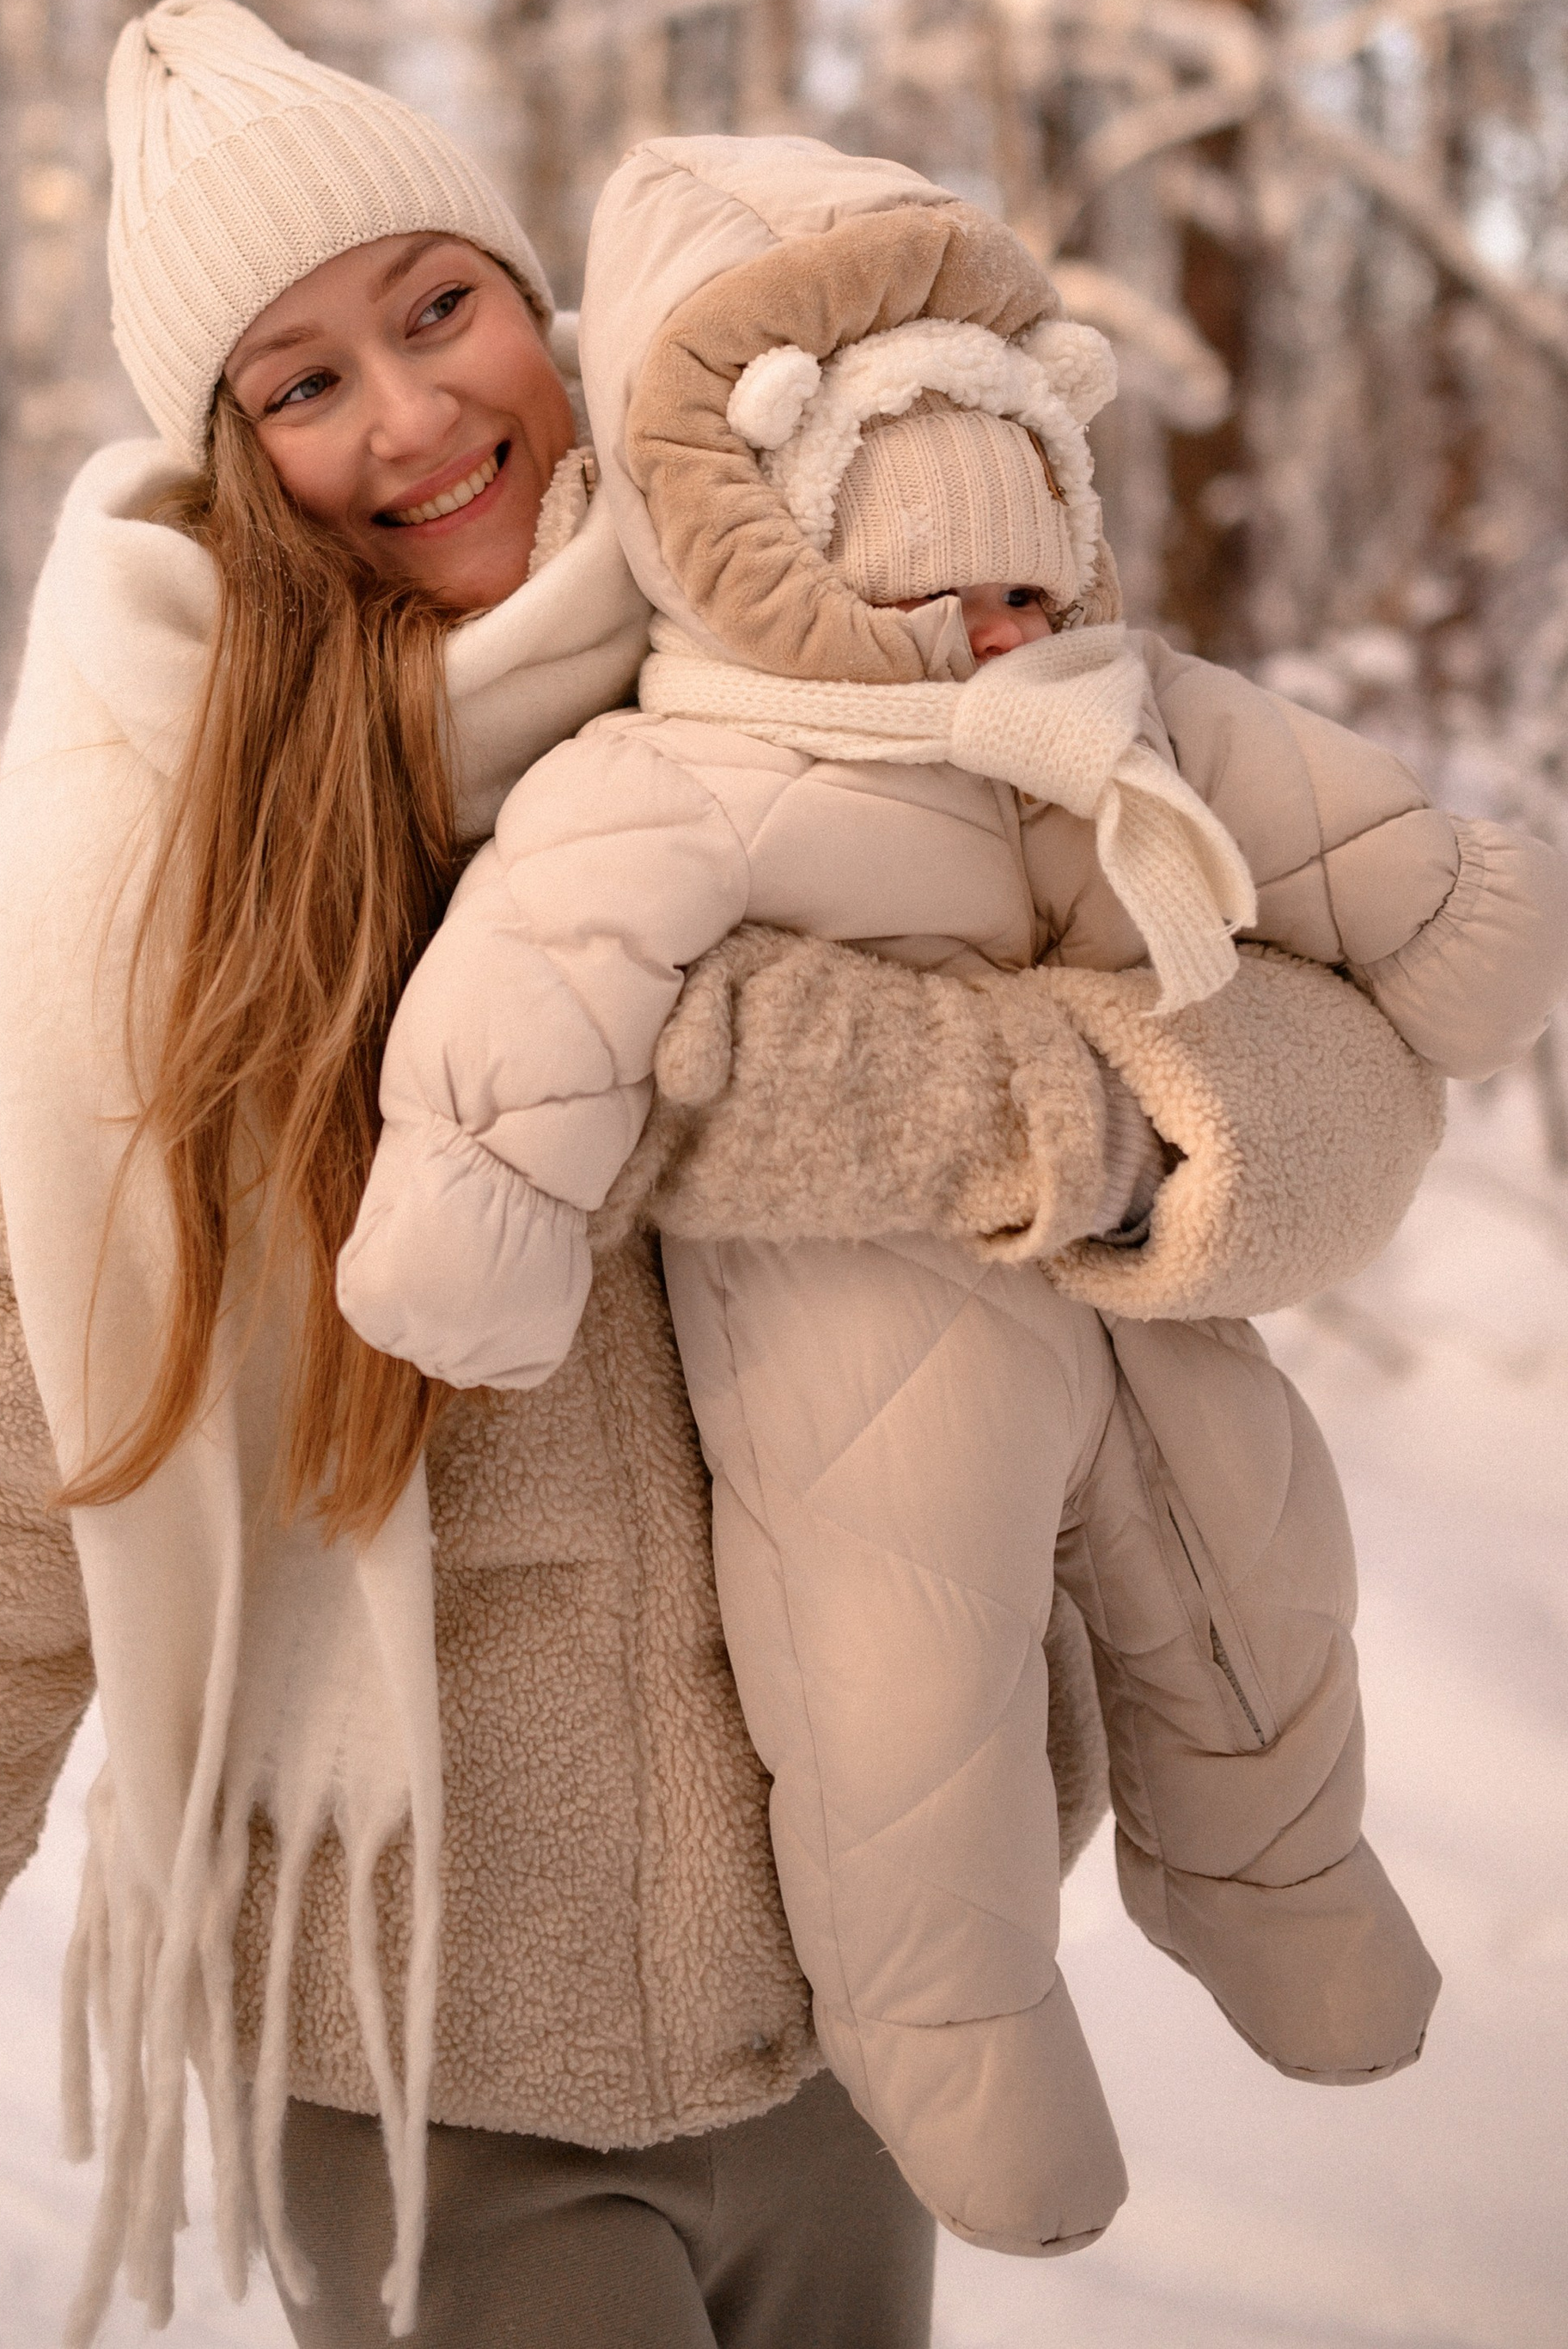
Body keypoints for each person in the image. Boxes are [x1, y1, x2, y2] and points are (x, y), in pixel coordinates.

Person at [0, 3, 1456, 2349]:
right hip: (436, 2068)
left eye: (437, 306)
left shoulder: (839, 637)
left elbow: (1352, 1098)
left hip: (875, 2006)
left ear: (534, 303)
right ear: (234, 457)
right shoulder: (149, 884)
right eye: (303, 379)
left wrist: (1015, 1111)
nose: (412, 414)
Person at [336, 135, 1568, 2264]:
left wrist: (1451, 912)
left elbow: (1335, 836)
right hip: (853, 1335)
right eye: (944, 592)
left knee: (1258, 1570)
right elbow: (535, 987)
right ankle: (962, 2047)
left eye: (1027, 580)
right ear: (775, 540)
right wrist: (471, 1213)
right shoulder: (671, 762)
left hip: (1140, 1300)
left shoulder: (1103, 709)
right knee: (905, 1700)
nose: (993, 629)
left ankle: (1284, 1891)